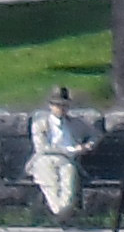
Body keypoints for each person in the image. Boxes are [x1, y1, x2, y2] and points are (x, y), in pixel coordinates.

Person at [25, 87, 94, 221]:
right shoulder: (40, 124)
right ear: (51, 106)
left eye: (64, 105)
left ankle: (63, 211)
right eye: (57, 105)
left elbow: (95, 134)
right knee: (50, 184)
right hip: (45, 159)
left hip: (67, 160)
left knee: (69, 182)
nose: (61, 109)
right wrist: (73, 150)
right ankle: (60, 212)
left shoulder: (76, 124)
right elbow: (42, 148)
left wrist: (89, 145)